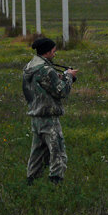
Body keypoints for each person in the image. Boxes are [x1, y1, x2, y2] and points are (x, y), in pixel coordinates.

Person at [22, 37, 78, 185]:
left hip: (35, 116)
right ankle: (55, 185)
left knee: (37, 154)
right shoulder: (46, 70)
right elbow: (62, 92)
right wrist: (69, 77)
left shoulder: (30, 66)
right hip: (49, 117)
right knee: (58, 153)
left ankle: (31, 183)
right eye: (53, 51)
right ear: (47, 52)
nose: (55, 54)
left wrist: (58, 77)